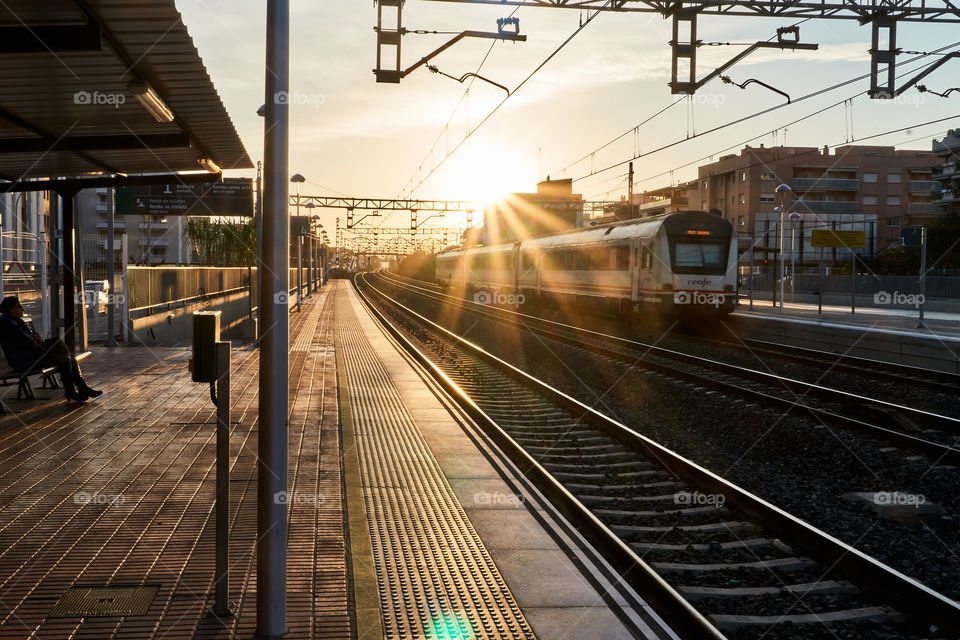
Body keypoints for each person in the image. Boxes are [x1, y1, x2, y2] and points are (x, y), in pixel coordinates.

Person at [0, 296, 102, 402]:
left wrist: (38, 339)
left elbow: (30, 339)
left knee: (68, 355)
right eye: (19, 307)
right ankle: (74, 389)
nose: (22, 309)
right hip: (24, 360)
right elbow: (22, 343)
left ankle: (78, 388)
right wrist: (35, 340)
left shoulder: (17, 321)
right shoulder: (6, 324)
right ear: (10, 309)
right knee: (65, 359)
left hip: (34, 355)